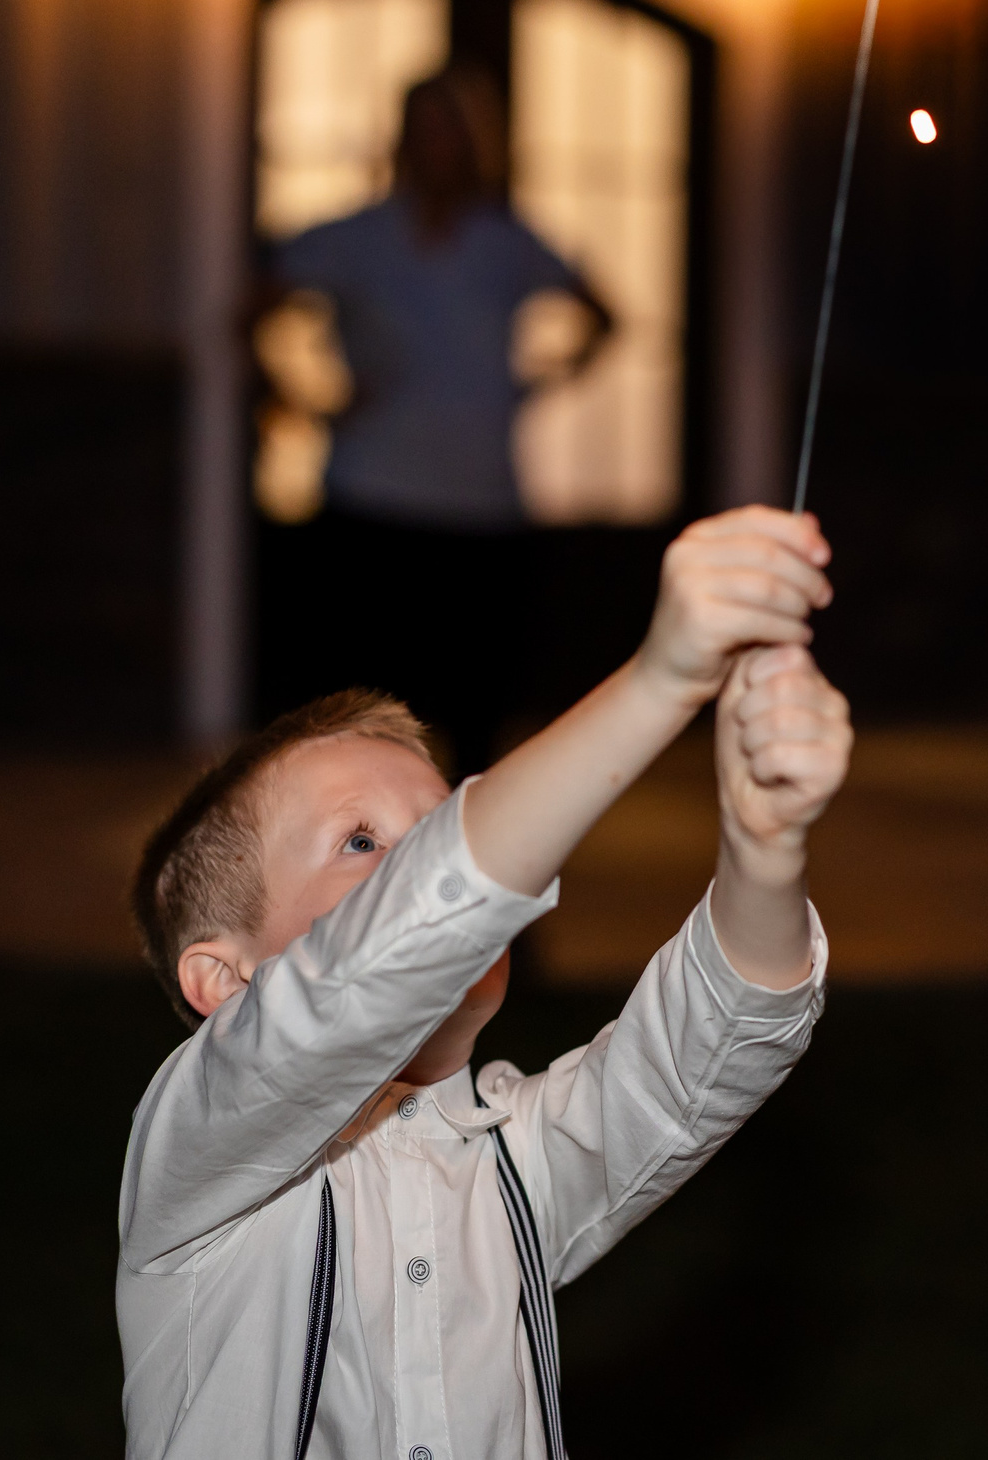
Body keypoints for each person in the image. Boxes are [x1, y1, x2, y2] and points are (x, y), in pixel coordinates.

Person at [119, 506, 849, 1458]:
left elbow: (704, 1056)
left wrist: (765, 843)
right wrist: (659, 681)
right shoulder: (200, 1145)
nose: (424, 863)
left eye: (436, 828)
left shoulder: (513, 1158)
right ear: (226, 981)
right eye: (362, 842)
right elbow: (378, 962)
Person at [256, 64, 614, 774]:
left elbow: (602, 314)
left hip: (482, 500)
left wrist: (537, 383)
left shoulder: (506, 240)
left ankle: (465, 855)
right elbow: (251, 308)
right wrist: (298, 398)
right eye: (423, 129)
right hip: (372, 492)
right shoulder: (354, 236)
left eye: (451, 129)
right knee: (363, 695)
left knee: (477, 698)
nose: (437, 146)